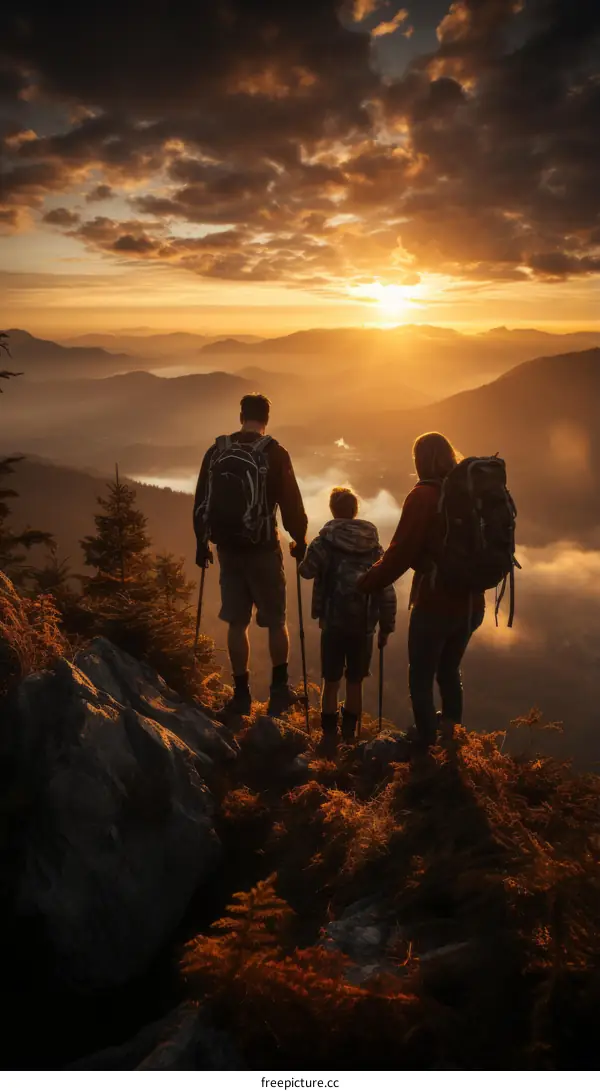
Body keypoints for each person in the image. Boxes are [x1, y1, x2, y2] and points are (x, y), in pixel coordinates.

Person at [358, 432, 485, 752]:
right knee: (449, 669)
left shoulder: (424, 496)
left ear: (420, 461)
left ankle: (427, 742)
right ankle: (452, 735)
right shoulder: (470, 493)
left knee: (421, 676)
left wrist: (366, 583)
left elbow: (399, 554)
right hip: (472, 603)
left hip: (435, 603)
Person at [193, 392, 308, 719]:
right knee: (275, 621)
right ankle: (279, 691)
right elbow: (291, 504)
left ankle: (241, 693)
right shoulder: (275, 453)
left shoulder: (217, 450)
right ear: (266, 419)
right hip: (262, 548)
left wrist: (202, 544)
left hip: (228, 549)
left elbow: (202, 499)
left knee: (236, 621)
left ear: (241, 414)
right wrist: (299, 539)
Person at [299, 486, 397, 748]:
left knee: (331, 681)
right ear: (355, 510)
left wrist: (301, 551)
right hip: (364, 625)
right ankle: (350, 737)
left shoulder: (325, 542)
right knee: (355, 681)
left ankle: (329, 736)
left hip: (332, 622)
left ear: (333, 510)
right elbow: (386, 588)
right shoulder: (374, 546)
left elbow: (306, 572)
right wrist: (386, 627)